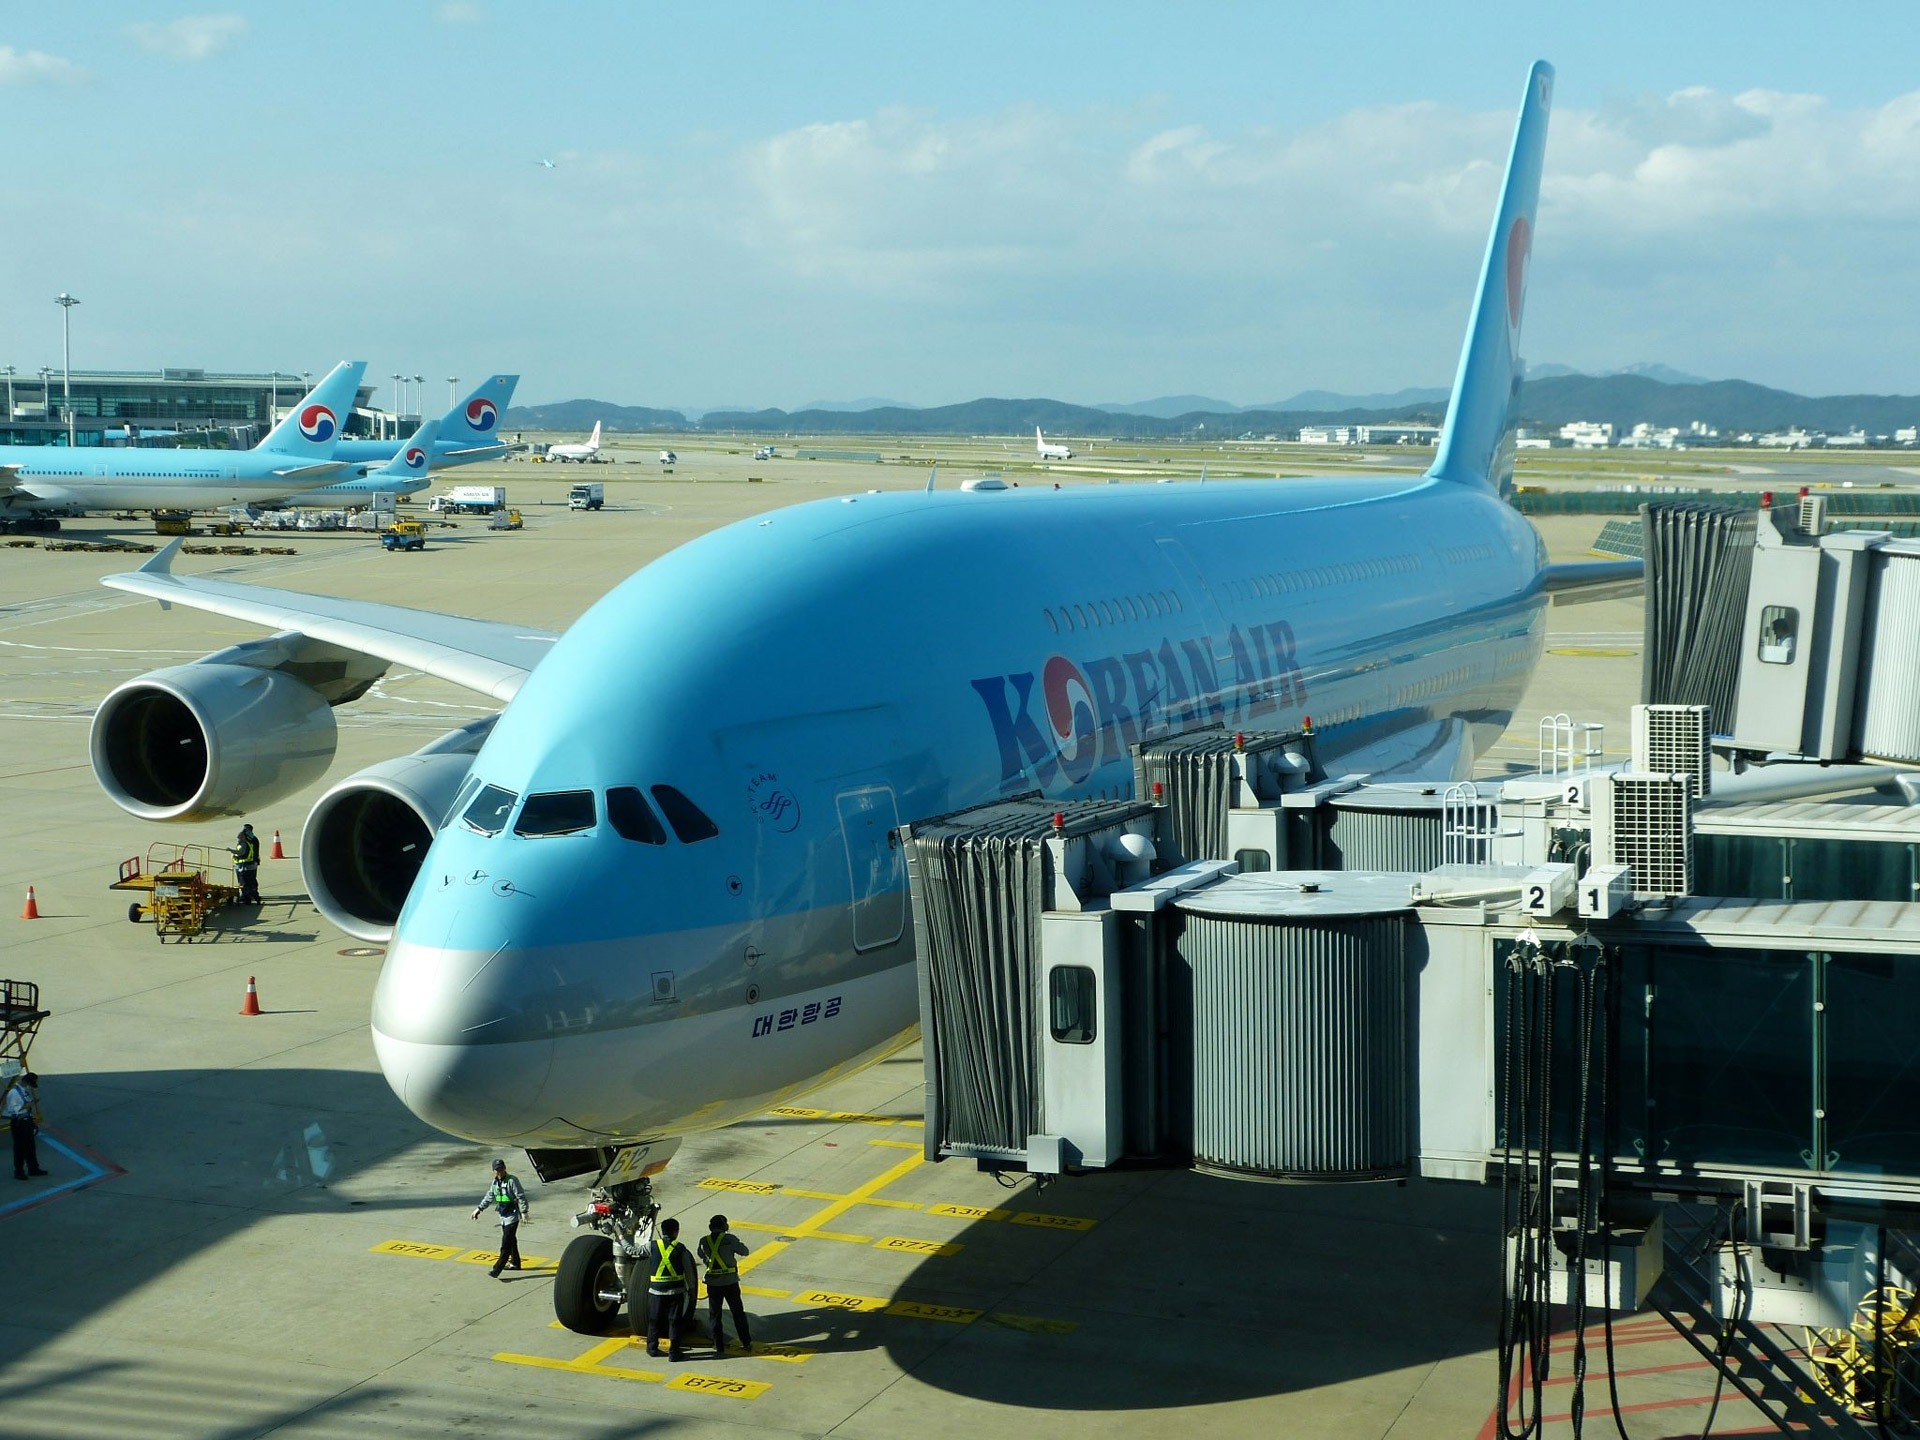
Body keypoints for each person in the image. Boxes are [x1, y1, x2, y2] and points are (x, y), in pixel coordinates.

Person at [635, 1216, 696, 1360]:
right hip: (676, 1292)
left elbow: (634, 1251)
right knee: (675, 1322)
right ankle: (674, 1353)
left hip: (656, 1292)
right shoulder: (680, 1248)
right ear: (676, 1232)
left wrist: (621, 1237)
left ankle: (652, 1349)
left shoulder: (652, 1246)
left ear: (662, 1231)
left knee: (654, 1321)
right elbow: (688, 1272)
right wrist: (692, 1290)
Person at [700, 1213, 753, 1355]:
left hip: (713, 1284)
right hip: (730, 1282)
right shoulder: (730, 1239)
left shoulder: (704, 1241)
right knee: (738, 1313)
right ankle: (746, 1342)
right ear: (725, 1226)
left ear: (710, 1227)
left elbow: (701, 1254)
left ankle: (718, 1344)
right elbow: (745, 1252)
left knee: (715, 1315)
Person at [470, 1158, 528, 1277]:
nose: (499, 1172)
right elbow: (489, 1196)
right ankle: (516, 1263)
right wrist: (479, 1209)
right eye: (497, 1170)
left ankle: (497, 1269)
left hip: (512, 1216)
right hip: (503, 1215)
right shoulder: (495, 1183)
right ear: (494, 1171)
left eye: (501, 1169)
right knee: (512, 1241)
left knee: (505, 1243)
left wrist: (524, 1211)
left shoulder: (512, 1180)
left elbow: (521, 1196)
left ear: (505, 1168)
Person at [4, 1071, 46, 1181]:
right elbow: (14, 1110)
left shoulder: (23, 1090)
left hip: (27, 1120)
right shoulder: (14, 1093)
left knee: (30, 1146)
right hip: (19, 1122)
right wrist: (31, 1104)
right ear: (27, 1081)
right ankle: (19, 1171)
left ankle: (33, 1168)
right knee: (20, 1148)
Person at [230, 823, 261, 905]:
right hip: (253, 862)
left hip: (245, 865)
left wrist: (232, 852)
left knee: (244, 882)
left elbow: (241, 852)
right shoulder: (254, 839)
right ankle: (255, 895)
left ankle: (246, 898)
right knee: (252, 881)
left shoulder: (245, 842)